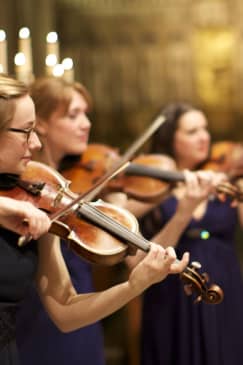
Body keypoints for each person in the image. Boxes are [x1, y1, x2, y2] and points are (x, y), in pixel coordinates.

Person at [0, 74, 189, 365]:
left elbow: (65, 310)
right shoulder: (20, 208)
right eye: (26, 132)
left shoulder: (36, 198)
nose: (35, 143)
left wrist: (134, 285)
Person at [138, 102, 243, 365]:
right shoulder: (153, 188)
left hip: (224, 287)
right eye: (192, 131)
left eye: (205, 128)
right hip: (171, 295)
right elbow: (144, 257)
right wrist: (184, 211)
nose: (204, 136)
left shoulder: (227, 183)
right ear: (170, 138)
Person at [16, 76, 106, 365]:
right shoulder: (20, 190)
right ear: (39, 123)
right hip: (38, 317)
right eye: (73, 114)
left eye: (85, 113)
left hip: (83, 305)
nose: (86, 123)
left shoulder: (79, 183)